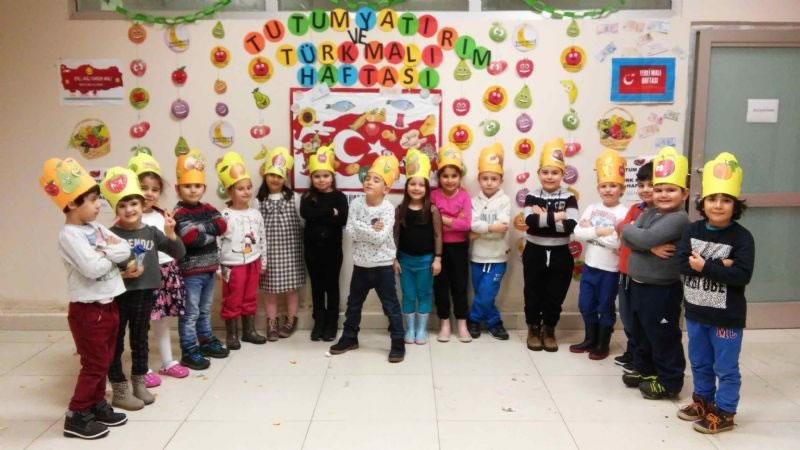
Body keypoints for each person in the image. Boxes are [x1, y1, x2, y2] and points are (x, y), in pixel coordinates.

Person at [40, 157, 130, 439]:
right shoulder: (69, 235)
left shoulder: (96, 228)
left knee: (106, 359)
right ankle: (77, 415)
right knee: (94, 363)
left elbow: (125, 249)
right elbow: (91, 269)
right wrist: (108, 253)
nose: (98, 205)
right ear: (71, 204)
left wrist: (104, 252)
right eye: (91, 200)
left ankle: (96, 404)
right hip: (89, 311)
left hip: (110, 304)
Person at [677, 152, 754, 434]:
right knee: (699, 362)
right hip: (696, 312)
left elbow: (742, 275)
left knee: (725, 367)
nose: (718, 205)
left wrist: (705, 266)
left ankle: (725, 411)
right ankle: (703, 401)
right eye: (712, 199)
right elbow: (681, 264)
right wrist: (721, 264)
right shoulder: (693, 230)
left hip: (726, 318)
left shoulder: (742, 238)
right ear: (703, 202)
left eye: (726, 200)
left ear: (735, 205)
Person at [103, 167, 185, 411]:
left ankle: (139, 383)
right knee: (116, 341)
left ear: (142, 204)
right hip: (118, 295)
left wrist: (170, 233)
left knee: (140, 339)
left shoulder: (151, 232)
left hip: (145, 293)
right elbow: (102, 269)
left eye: (134, 204)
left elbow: (178, 252)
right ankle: (119, 387)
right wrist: (121, 273)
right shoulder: (110, 235)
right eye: (123, 205)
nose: (129, 209)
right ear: (116, 209)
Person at [621, 146, 690, 400]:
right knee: (641, 331)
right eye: (659, 189)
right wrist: (646, 244)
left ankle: (669, 381)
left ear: (684, 193)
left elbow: (637, 236)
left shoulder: (678, 219)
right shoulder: (650, 212)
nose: (663, 195)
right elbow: (628, 237)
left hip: (662, 289)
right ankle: (645, 370)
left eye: (670, 190)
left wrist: (636, 235)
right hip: (639, 283)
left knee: (662, 335)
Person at [329, 155, 406, 363]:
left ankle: (398, 342)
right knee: (353, 304)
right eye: (368, 178)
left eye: (376, 179)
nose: (369, 181)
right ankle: (349, 338)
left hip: (383, 267)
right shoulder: (355, 204)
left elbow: (380, 238)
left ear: (386, 188)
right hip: (361, 266)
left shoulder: (387, 209)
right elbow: (350, 231)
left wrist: (361, 227)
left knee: (391, 307)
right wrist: (369, 228)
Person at [128, 151, 189, 387]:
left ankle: (168, 362)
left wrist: (171, 233)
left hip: (165, 273)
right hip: (143, 278)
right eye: (143, 188)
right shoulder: (130, 217)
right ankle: (141, 368)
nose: (149, 193)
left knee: (162, 321)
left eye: (154, 189)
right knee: (140, 323)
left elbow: (174, 247)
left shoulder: (163, 215)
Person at [173, 149, 229, 370]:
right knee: (191, 313)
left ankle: (205, 341)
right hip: (191, 273)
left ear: (204, 188)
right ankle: (189, 349)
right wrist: (210, 232)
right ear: (178, 188)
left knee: (205, 310)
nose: (193, 190)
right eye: (187, 186)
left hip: (209, 269)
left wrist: (201, 229)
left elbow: (222, 225)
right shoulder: (179, 213)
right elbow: (190, 238)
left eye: (197, 186)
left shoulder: (208, 208)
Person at [570, 150, 628, 359]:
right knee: (586, 304)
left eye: (613, 185)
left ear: (622, 189)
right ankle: (590, 339)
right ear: (598, 188)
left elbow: (617, 242)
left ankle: (602, 343)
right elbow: (578, 232)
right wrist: (603, 231)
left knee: (605, 306)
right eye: (604, 186)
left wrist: (592, 230)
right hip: (590, 266)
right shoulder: (592, 207)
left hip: (610, 270)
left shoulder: (624, 212)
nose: (608, 190)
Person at [523, 138, 579, 352]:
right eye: (545, 172)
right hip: (534, 251)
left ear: (562, 174)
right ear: (538, 173)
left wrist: (544, 217)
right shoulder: (531, 196)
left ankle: (549, 329)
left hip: (560, 253)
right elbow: (530, 221)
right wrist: (558, 216)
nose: (549, 176)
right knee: (533, 292)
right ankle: (533, 328)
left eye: (554, 172)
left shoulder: (570, 197)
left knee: (555, 293)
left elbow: (571, 225)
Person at [216, 152, 268, 349]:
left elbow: (262, 238)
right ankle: (232, 334)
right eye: (240, 188)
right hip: (232, 265)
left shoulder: (255, 214)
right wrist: (218, 267)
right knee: (233, 298)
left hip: (253, 261)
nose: (246, 192)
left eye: (248, 187)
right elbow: (217, 242)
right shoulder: (224, 216)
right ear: (230, 191)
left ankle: (249, 331)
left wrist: (263, 261)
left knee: (250, 296)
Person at [393, 149, 442, 345]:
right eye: (412, 184)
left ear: (427, 188)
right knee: (408, 295)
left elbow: (438, 235)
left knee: (424, 294)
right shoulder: (400, 209)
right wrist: (394, 259)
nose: (416, 188)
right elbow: (395, 235)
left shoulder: (432, 210)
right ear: (406, 186)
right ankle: (410, 329)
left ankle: (421, 329)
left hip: (426, 261)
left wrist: (437, 258)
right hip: (405, 261)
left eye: (421, 185)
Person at [300, 146, 348, 342]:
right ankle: (318, 321)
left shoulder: (339, 197)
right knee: (317, 287)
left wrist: (320, 215)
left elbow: (342, 219)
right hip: (312, 251)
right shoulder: (307, 196)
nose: (321, 180)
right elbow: (306, 214)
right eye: (317, 176)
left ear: (332, 176)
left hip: (333, 251)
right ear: (311, 177)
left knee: (332, 286)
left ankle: (331, 322)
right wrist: (329, 212)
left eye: (325, 176)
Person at [256, 147, 305, 340]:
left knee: (292, 290)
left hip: (291, 252)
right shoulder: (258, 201)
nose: (275, 179)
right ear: (265, 175)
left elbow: (302, 223)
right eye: (272, 175)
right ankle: (272, 321)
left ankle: (291, 319)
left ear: (285, 178)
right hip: (269, 254)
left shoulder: (294, 198)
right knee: (270, 292)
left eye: (279, 176)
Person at [467, 143, 511, 340]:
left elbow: (504, 225)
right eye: (485, 178)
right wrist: (492, 228)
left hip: (498, 256)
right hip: (477, 256)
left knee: (487, 293)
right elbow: (472, 224)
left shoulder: (505, 200)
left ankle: (473, 319)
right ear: (479, 179)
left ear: (501, 180)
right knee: (482, 292)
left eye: (494, 179)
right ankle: (494, 321)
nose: (489, 183)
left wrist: (481, 230)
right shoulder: (473, 201)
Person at [613, 161, 654, 368]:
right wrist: (631, 231)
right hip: (625, 270)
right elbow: (621, 228)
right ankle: (632, 349)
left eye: (651, 185)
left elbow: (642, 237)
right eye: (641, 185)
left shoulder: (660, 214)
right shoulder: (635, 208)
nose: (645, 190)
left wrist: (631, 232)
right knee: (627, 314)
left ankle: (641, 355)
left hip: (642, 273)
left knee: (641, 316)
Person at [431, 144, 473, 343]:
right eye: (445, 176)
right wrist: (455, 219)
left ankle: (462, 323)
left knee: (460, 286)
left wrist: (443, 219)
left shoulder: (464, 195)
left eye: (454, 176)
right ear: (439, 177)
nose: (449, 180)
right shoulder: (433, 195)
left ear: (460, 176)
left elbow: (466, 225)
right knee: (440, 286)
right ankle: (445, 323)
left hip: (459, 247)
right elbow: (431, 223)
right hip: (438, 249)